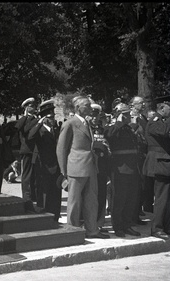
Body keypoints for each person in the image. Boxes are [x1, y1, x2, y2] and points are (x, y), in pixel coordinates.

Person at [56, 95, 109, 239]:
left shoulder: (87, 123)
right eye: (86, 105)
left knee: (91, 200)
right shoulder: (70, 124)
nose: (90, 108)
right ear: (78, 108)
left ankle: (92, 230)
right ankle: (72, 231)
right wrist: (63, 172)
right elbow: (61, 149)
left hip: (91, 167)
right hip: (76, 168)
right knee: (74, 202)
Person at [104, 103, 141, 238]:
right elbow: (109, 136)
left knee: (130, 199)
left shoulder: (128, 129)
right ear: (118, 115)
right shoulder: (112, 128)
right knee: (119, 199)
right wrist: (119, 122)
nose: (128, 116)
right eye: (125, 114)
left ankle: (127, 225)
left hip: (132, 168)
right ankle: (118, 226)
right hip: (120, 168)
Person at [142, 96, 170, 239]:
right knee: (162, 198)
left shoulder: (169, 123)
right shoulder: (154, 121)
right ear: (162, 108)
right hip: (161, 164)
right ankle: (157, 228)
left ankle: (167, 226)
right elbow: (162, 132)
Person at [28, 99, 62, 220]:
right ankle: (45, 217)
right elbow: (30, 137)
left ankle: (55, 217)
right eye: (49, 117)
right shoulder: (40, 130)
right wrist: (38, 124)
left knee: (56, 193)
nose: (52, 119)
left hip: (56, 166)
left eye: (53, 116)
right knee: (44, 193)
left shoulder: (57, 129)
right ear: (44, 118)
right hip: (43, 166)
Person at [89, 103, 111, 233]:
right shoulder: (86, 129)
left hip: (102, 166)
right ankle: (88, 222)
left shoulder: (102, 130)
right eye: (92, 116)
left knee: (101, 195)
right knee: (90, 195)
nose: (94, 118)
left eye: (96, 116)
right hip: (90, 166)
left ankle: (99, 223)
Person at [15, 97, 39, 213]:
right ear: (26, 108)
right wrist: (25, 116)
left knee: (35, 177)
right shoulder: (24, 120)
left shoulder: (37, 119)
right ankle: (27, 200)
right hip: (27, 150)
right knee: (26, 178)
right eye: (30, 106)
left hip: (36, 151)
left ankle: (34, 200)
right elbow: (20, 128)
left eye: (33, 106)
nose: (32, 108)